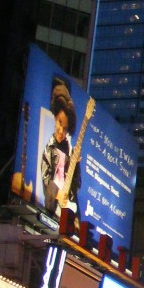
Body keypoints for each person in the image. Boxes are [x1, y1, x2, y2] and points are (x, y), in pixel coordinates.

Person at [40, 80, 81, 215]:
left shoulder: (70, 151)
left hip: (67, 210)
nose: (61, 131)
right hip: (52, 208)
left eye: (65, 128)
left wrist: (76, 165)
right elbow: (46, 178)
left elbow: (76, 185)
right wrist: (58, 194)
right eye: (59, 122)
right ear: (55, 117)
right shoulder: (50, 148)